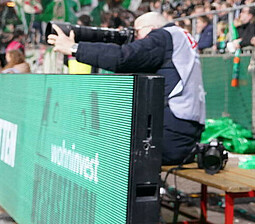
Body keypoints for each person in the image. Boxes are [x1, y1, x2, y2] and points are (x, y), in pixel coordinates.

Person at [49, 12, 205, 165]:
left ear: (151, 28)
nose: (135, 38)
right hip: (186, 129)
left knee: (108, 153)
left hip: (171, 133)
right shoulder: (180, 37)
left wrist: (74, 48)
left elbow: (123, 57)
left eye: (136, 32)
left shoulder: (162, 36)